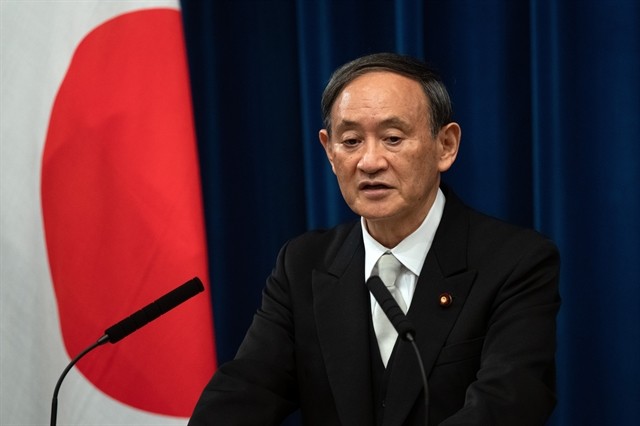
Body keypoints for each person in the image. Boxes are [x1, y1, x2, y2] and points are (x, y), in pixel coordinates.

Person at [189, 52, 560, 426]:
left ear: (445, 145)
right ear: (329, 152)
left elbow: (508, 404)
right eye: (350, 141)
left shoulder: (515, 261)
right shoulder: (302, 265)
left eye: (392, 138)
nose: (369, 161)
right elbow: (246, 391)